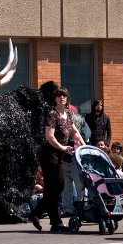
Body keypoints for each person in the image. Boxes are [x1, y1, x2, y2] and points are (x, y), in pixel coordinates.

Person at [29, 87, 85, 232]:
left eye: (64, 96)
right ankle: (55, 222)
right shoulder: (52, 115)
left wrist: (85, 146)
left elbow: (75, 132)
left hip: (60, 152)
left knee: (56, 186)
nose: (62, 98)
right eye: (59, 96)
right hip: (50, 153)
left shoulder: (68, 114)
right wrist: (62, 147)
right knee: (55, 185)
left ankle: (37, 213)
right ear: (55, 99)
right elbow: (50, 136)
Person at [61, 106, 91, 217]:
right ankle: (76, 208)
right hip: (67, 157)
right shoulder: (76, 119)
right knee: (69, 186)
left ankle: (77, 207)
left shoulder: (72, 119)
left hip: (74, 157)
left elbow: (86, 135)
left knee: (77, 185)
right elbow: (87, 135)